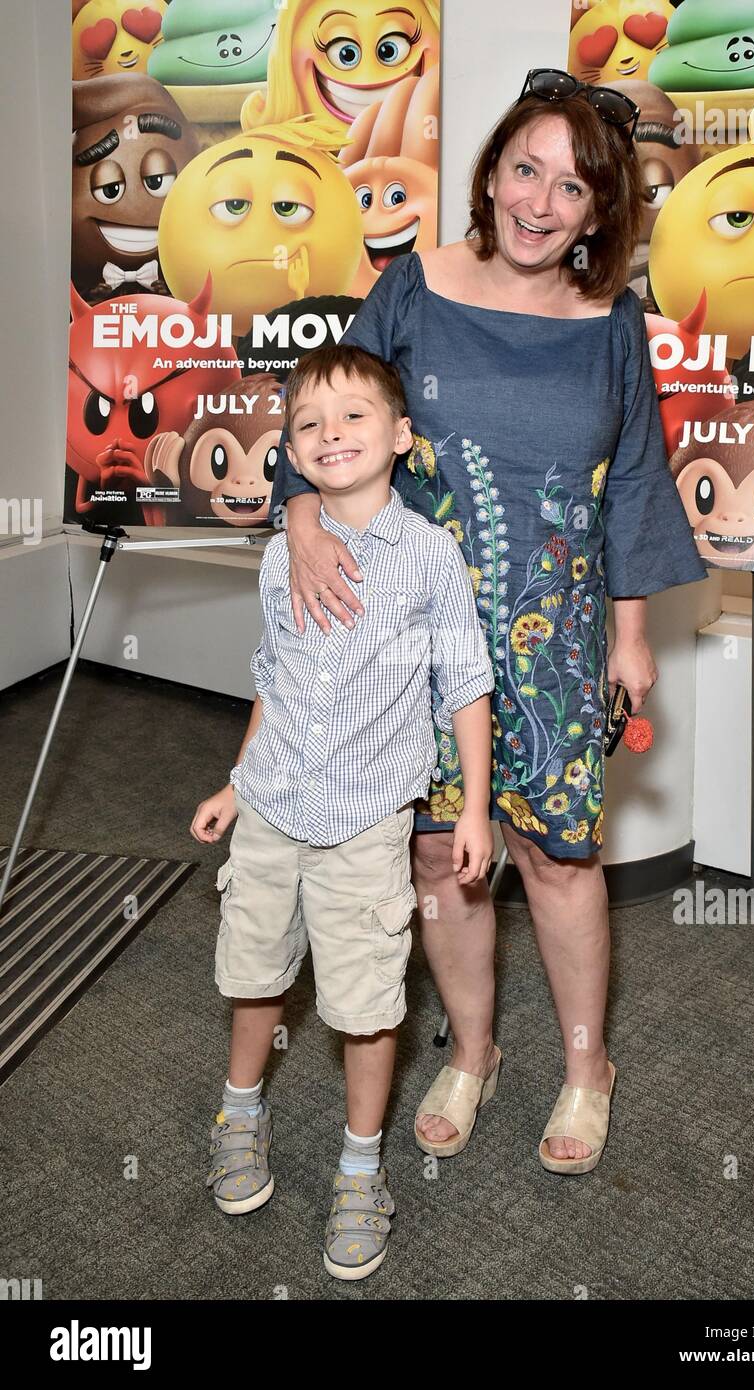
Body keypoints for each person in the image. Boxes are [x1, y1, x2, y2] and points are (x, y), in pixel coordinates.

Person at [271, 69, 708, 1176]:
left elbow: (637, 480)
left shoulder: (613, 322)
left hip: (554, 646)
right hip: (407, 641)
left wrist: (630, 632)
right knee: (434, 852)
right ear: (492, 171)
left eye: (573, 186)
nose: (540, 201)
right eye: (526, 169)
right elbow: (327, 409)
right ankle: (472, 1050)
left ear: (601, 212)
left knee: (558, 860)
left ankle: (585, 1065)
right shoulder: (413, 285)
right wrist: (306, 523)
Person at [190, 344, 494, 1279]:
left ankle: (361, 1171)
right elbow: (272, 679)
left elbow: (466, 685)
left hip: (369, 824)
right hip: (275, 802)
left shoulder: (432, 555)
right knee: (255, 975)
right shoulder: (284, 549)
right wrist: (236, 782)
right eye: (310, 423)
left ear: (401, 435)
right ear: (291, 447)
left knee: (365, 1005)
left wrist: (474, 809)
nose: (332, 435)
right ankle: (240, 1113)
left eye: (355, 417)